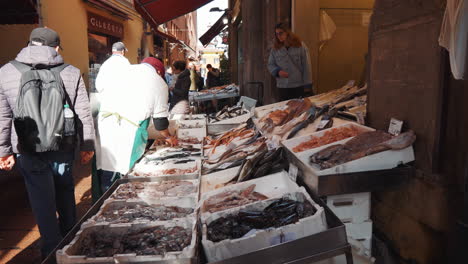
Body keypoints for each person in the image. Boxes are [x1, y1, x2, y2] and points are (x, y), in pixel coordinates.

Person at [0, 27, 95, 258]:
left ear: (29, 44)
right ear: (55, 48)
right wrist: (87, 145)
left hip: (27, 147)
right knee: (64, 191)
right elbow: (83, 112)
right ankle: (72, 244)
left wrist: (3, 150)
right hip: (62, 145)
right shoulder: (71, 72)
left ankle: (51, 252)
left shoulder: (5, 72)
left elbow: (2, 115)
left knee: (41, 200)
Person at [96, 57, 175, 192]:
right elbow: (160, 122)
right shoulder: (159, 83)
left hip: (104, 125)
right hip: (129, 132)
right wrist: (168, 137)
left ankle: (106, 200)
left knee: (108, 167)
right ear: (158, 71)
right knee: (126, 172)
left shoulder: (125, 71)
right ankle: (119, 201)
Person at [267, 22, 313, 101]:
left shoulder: (300, 46)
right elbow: (270, 64)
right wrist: (278, 71)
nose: (278, 36)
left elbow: (306, 66)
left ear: (287, 32)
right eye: (276, 34)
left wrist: (307, 86)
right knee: (284, 110)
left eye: (280, 33)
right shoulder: (275, 48)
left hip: (298, 86)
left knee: (299, 110)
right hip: (282, 86)